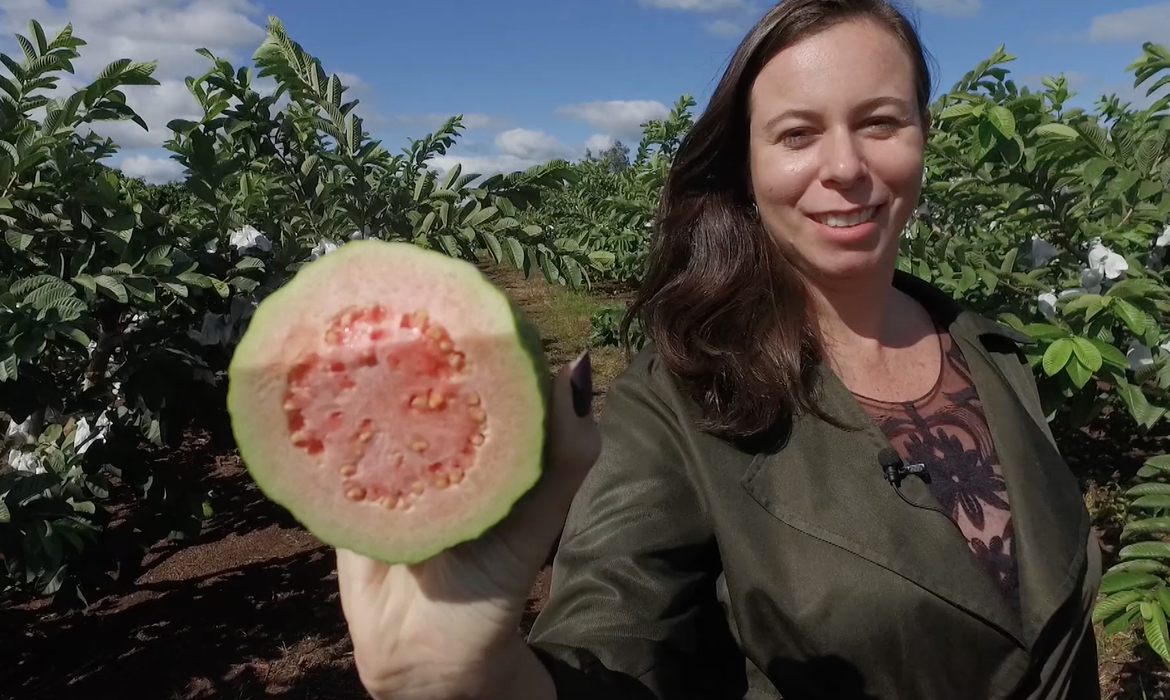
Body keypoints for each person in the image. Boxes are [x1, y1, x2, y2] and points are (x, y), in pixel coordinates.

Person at [334, 1, 1103, 698]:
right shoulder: (680, 400)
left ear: (922, 137)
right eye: (797, 133)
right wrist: (484, 678)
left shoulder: (993, 350)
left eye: (880, 122)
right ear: (746, 166)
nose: (845, 166)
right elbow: (615, 640)